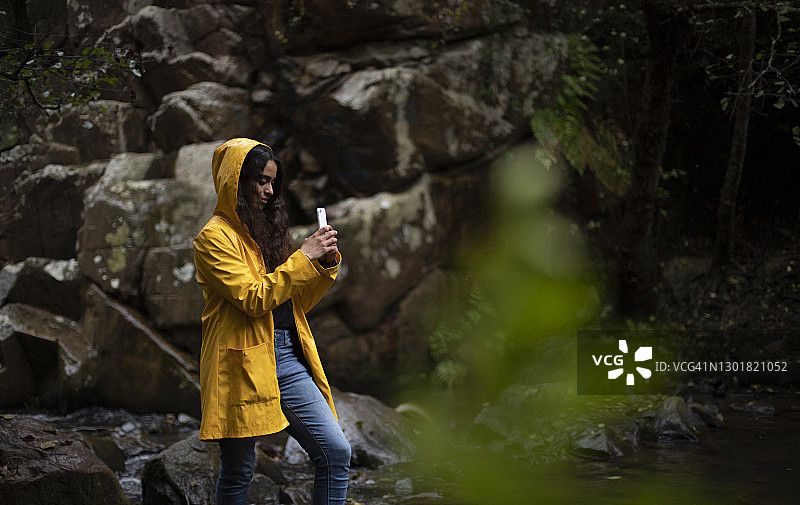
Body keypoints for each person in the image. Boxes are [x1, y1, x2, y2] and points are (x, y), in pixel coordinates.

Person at [193, 138, 351, 505]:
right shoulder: (213, 238)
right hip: (239, 362)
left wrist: (322, 264)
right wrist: (304, 257)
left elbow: (294, 302)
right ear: (237, 180)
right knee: (238, 469)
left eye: (273, 183)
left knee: (335, 451)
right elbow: (253, 298)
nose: (268, 190)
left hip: (286, 357)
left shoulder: (267, 233)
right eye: (261, 180)